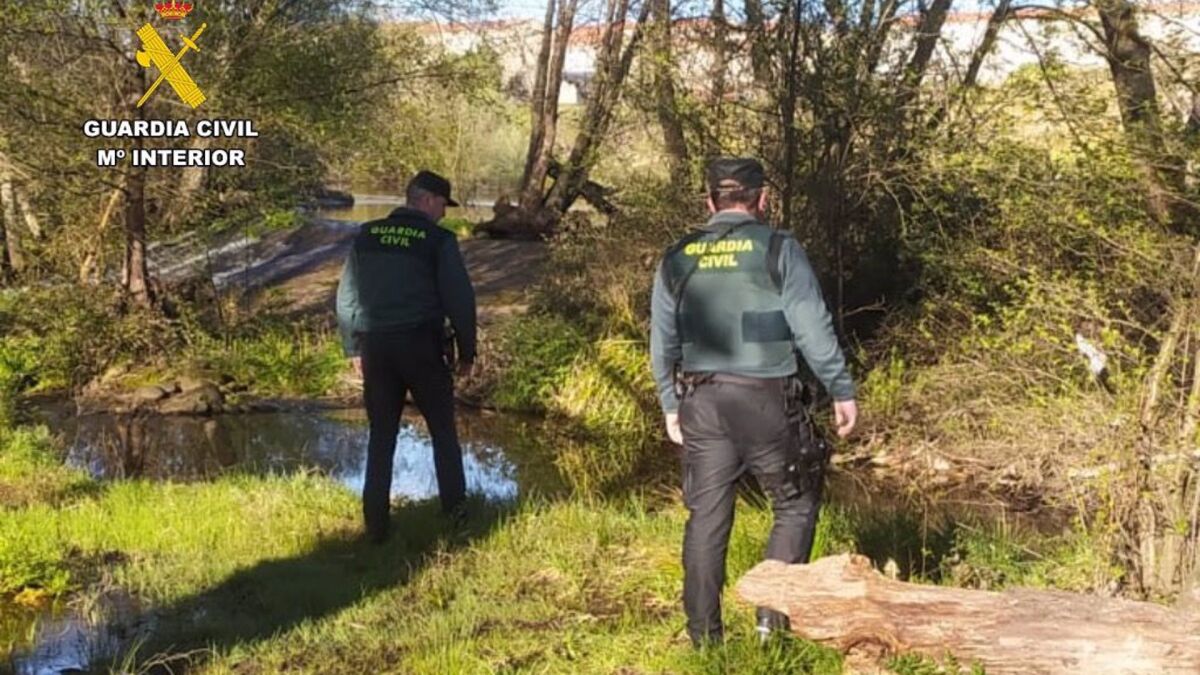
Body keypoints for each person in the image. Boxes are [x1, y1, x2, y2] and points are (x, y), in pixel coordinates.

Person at [649, 157, 858, 646]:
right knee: (795, 504)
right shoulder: (779, 248)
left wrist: (669, 402)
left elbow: (662, 340)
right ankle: (771, 625)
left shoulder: (677, 256)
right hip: (767, 401)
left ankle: (705, 641)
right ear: (763, 199)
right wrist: (840, 388)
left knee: (707, 517)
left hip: (702, 399)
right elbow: (811, 327)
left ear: (710, 202)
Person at [336, 170, 477, 543]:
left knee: (381, 437)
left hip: (376, 348)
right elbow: (460, 300)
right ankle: (456, 519)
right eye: (443, 205)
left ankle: (376, 527)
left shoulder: (367, 235)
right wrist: (467, 352)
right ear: (427, 200)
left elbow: (346, 298)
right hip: (422, 347)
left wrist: (352, 348)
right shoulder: (438, 240)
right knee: (443, 433)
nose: (444, 214)